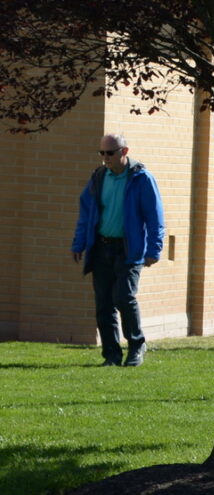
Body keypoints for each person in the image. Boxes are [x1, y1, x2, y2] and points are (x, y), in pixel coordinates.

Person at [70, 133, 166, 367]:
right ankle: (111, 355)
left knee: (123, 297)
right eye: (101, 153)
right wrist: (79, 243)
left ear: (124, 151)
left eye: (109, 153)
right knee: (104, 304)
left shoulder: (141, 178)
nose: (105, 158)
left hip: (129, 249)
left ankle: (136, 345)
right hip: (102, 247)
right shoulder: (98, 178)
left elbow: (155, 216)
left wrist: (155, 248)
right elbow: (86, 214)